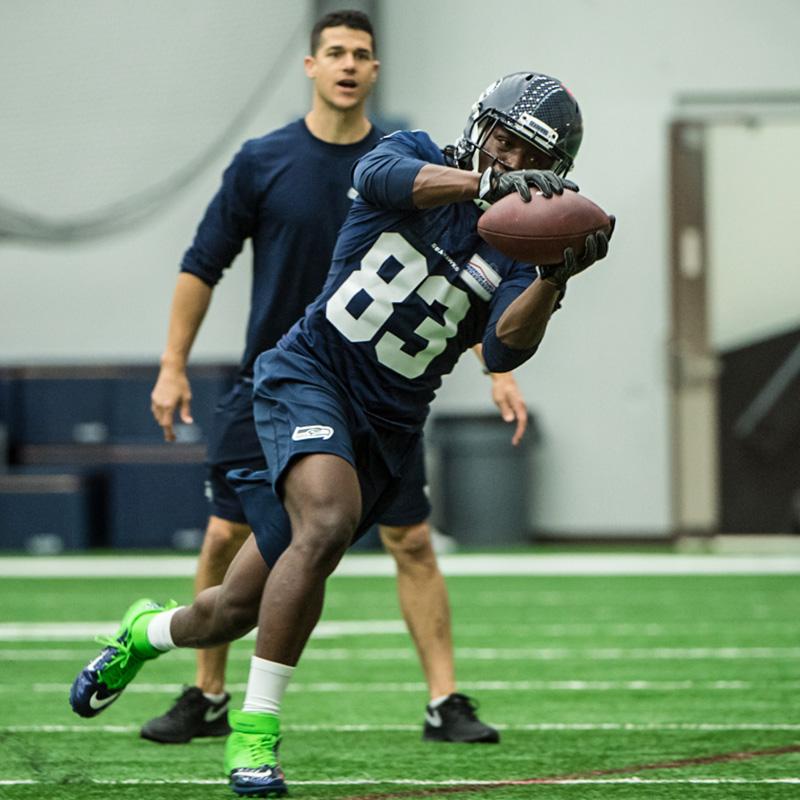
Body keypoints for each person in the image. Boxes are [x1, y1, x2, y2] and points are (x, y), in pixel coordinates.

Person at [71, 70, 612, 796]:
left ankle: (142, 634)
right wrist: (481, 185)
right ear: (478, 125)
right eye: (504, 140)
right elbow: (377, 175)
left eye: (530, 155)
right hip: (312, 374)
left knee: (231, 609)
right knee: (326, 524)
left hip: (390, 423)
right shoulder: (416, 153)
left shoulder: (517, 244)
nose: (511, 159)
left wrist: (552, 278)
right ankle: (255, 735)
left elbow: (505, 348)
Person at [144, 9, 521, 748]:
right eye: (336, 52)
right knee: (229, 536)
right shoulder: (274, 160)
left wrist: (496, 371)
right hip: (287, 374)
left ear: (375, 70)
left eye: (362, 54)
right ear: (311, 66)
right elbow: (202, 264)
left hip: (382, 395)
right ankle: (209, 693)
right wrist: (171, 364)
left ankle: (443, 699)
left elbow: (445, 296)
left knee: (409, 539)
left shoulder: (421, 164)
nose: (349, 64)